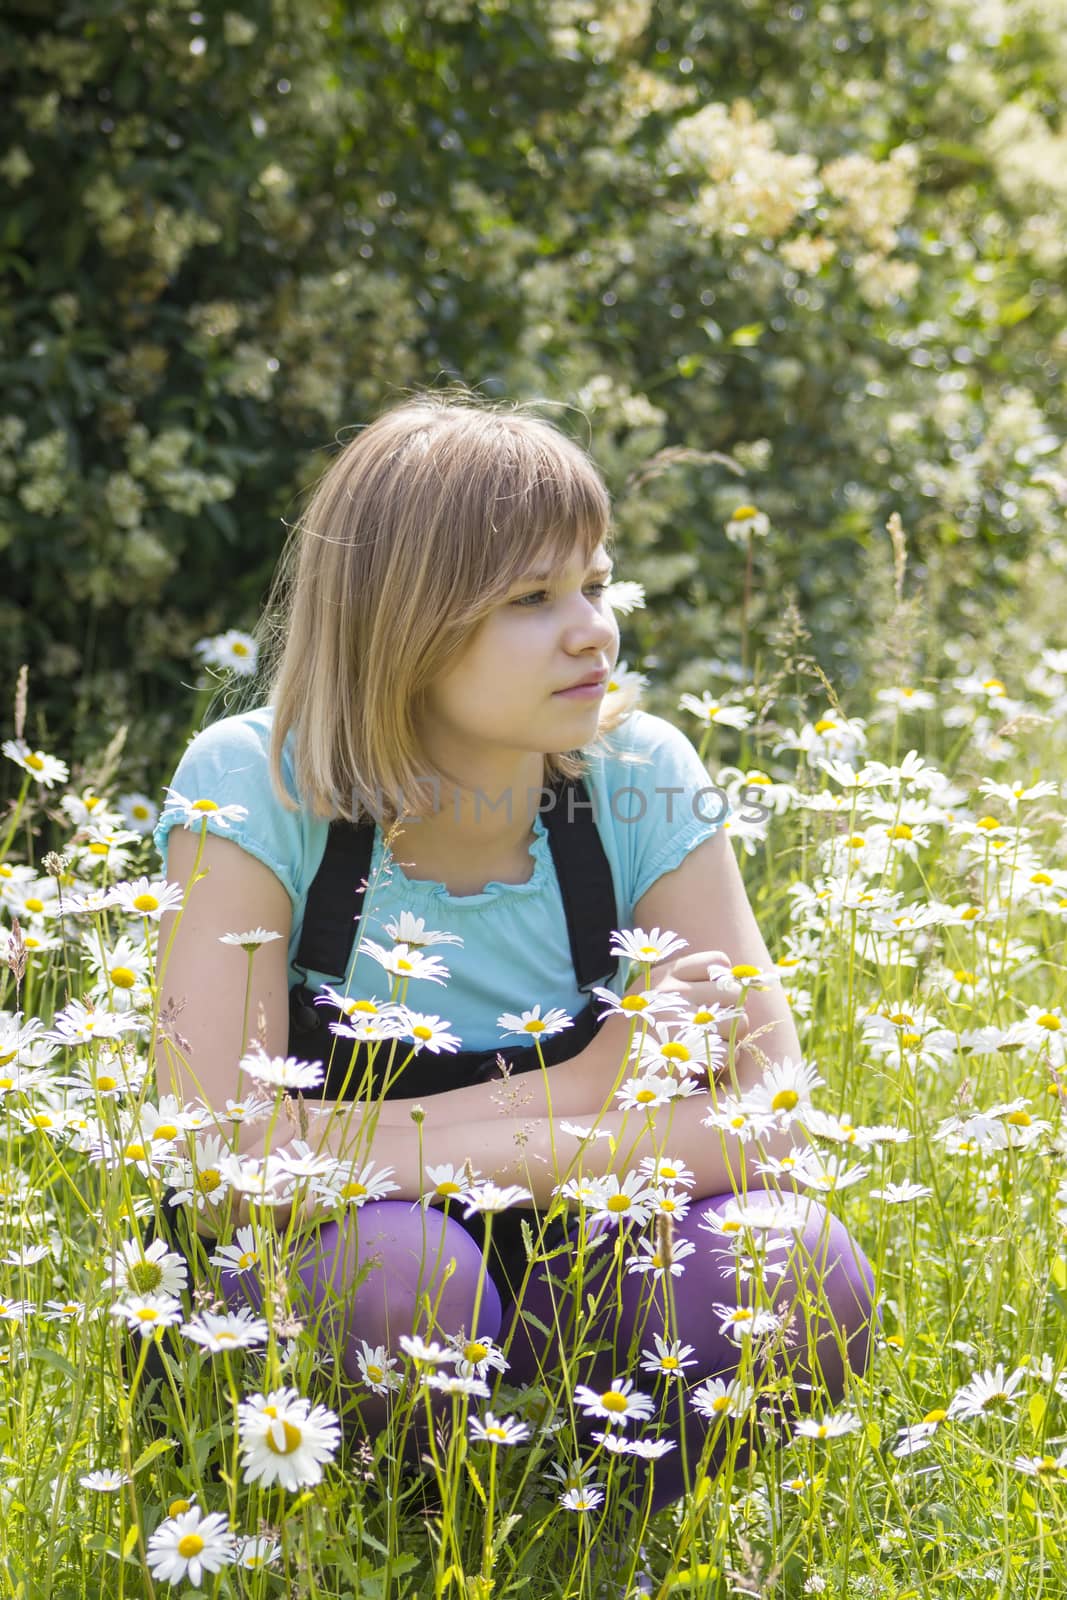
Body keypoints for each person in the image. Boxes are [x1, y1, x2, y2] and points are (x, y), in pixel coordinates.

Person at [153, 390, 875, 1518]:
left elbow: (776, 1122)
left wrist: (371, 1141)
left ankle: (603, 1535)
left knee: (794, 1267)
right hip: (336, 1286)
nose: (593, 627)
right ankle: (381, 1538)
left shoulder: (638, 774)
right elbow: (224, 1166)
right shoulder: (261, 782)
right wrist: (588, 1091)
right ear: (405, 624)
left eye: (592, 581)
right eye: (532, 598)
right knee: (403, 1278)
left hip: (580, 1274)